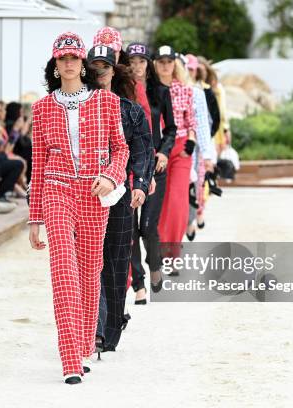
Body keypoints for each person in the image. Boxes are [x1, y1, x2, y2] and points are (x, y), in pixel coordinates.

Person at [28, 32, 129, 384]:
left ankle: (86, 343)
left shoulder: (106, 102)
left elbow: (121, 150)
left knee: (89, 272)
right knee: (63, 271)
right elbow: (37, 162)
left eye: (74, 57)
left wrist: (112, 177)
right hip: (57, 190)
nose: (69, 63)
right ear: (54, 65)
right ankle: (70, 359)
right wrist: (34, 218)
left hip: (93, 191)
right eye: (62, 58)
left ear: (82, 63)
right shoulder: (40, 108)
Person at [87, 44, 154, 353]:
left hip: (120, 196)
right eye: (94, 66)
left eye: (105, 66)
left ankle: (111, 327)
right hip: (84, 195)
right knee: (90, 264)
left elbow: (142, 151)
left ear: (114, 71)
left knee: (116, 265)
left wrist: (140, 183)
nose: (99, 71)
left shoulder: (130, 110)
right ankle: (96, 329)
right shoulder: (75, 109)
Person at [126, 42, 177, 302]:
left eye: (141, 61)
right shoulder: (122, 92)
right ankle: (138, 284)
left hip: (155, 165)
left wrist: (165, 152)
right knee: (130, 229)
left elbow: (171, 128)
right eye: (132, 61)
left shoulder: (161, 91)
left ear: (149, 65)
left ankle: (154, 263)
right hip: (130, 165)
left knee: (147, 227)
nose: (136, 66)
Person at [154, 46, 197, 272]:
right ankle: (159, 247)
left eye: (168, 61)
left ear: (174, 63)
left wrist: (190, 144)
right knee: (159, 200)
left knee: (177, 198)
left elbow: (191, 121)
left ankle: (173, 252)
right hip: (158, 148)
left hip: (180, 149)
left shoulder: (185, 90)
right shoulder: (149, 90)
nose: (165, 65)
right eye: (160, 61)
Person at [185, 54, 217, 238]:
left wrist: (208, 154)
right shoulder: (170, 90)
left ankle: (191, 220)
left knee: (195, 186)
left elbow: (207, 123)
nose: (188, 72)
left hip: (196, 150)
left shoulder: (202, 92)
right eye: (186, 68)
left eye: (191, 69)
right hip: (176, 150)